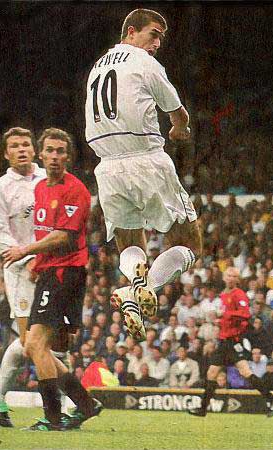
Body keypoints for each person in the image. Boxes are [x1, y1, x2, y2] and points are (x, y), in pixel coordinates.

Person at [85, 8, 202, 340]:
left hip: (107, 168)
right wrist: (181, 129)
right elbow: (177, 112)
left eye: (162, 38)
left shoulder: (97, 68)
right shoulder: (144, 62)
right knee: (190, 243)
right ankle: (144, 287)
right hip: (147, 160)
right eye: (154, 34)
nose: (158, 43)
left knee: (128, 240)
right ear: (131, 32)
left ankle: (132, 289)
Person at [1, 128, 101, 431]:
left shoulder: (76, 190)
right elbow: (45, 233)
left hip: (66, 274)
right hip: (50, 272)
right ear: (40, 155)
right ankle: (83, 403)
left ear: (67, 157)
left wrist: (25, 251)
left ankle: (53, 417)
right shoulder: (41, 188)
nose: (55, 156)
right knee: (33, 346)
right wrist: (38, 264)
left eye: (61, 151)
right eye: (50, 151)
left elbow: (63, 236)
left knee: (37, 345)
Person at [0, 127, 46, 427]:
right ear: (6, 153)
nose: (21, 149)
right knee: (30, 340)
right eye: (14, 146)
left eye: (26, 144)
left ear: (34, 149)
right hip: (22, 272)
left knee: (46, 339)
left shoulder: (49, 178)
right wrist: (31, 257)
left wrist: (46, 257)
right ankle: (71, 402)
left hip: (53, 266)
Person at [189, 267, 273, 417]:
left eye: (233, 276)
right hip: (224, 341)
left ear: (237, 280)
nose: (230, 278)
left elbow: (245, 314)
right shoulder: (223, 295)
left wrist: (226, 314)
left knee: (245, 372)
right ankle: (203, 408)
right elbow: (228, 318)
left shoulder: (239, 294)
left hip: (233, 341)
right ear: (224, 278)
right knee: (211, 373)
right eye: (228, 275)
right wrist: (220, 321)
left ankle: (271, 398)